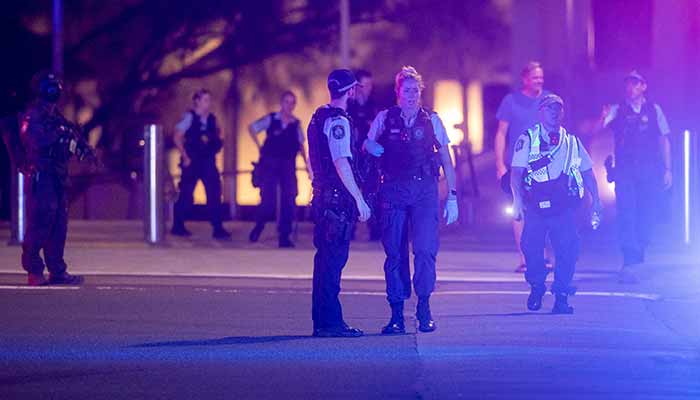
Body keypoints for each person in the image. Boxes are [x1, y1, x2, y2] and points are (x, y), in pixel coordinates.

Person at [364, 66, 459, 334]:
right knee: (394, 253)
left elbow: (445, 159)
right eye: (406, 90)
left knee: (426, 250)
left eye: (415, 90)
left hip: (424, 191)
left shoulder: (432, 120)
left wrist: (452, 195)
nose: (411, 95)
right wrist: (370, 146)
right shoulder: (385, 118)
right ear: (398, 92)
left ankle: (424, 308)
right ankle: (396, 314)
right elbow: (367, 144)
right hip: (393, 190)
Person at [511, 94, 602, 314]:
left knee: (568, 250)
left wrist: (596, 201)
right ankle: (537, 286)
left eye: (558, 108)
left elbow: (588, 173)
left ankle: (561, 296)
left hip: (563, 208)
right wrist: (517, 201)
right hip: (535, 206)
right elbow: (516, 174)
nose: (554, 112)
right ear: (540, 111)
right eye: (550, 108)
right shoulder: (528, 139)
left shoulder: (572, 142)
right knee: (531, 249)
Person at [307, 69, 371, 337]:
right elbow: (341, 161)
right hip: (335, 201)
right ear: (351, 90)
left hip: (322, 196)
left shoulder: (317, 117)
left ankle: (322, 321)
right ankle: (331, 324)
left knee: (324, 261)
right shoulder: (338, 122)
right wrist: (359, 199)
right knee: (333, 261)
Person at [20, 71, 93, 286]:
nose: (56, 90)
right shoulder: (33, 115)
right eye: (52, 86)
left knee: (58, 226)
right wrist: (60, 135)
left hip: (58, 176)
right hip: (42, 176)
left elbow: (66, 140)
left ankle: (57, 270)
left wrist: (78, 146)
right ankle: (34, 271)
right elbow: (35, 141)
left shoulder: (55, 116)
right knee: (40, 224)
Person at [601, 70, 672, 282]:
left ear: (643, 86)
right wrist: (602, 119)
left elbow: (664, 139)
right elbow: (599, 129)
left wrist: (668, 169)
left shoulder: (654, 109)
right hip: (625, 170)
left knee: (646, 213)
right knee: (626, 212)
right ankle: (630, 258)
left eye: (635, 83)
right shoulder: (617, 110)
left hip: (649, 170)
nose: (630, 87)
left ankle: (640, 250)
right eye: (628, 84)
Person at [494, 61, 551, 273]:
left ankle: (544, 256)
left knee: (544, 210)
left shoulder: (548, 100)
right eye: (535, 77)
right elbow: (501, 133)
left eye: (541, 77)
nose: (539, 81)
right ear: (525, 79)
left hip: (543, 165)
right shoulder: (511, 101)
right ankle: (525, 258)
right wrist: (500, 164)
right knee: (519, 212)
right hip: (517, 166)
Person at [248, 91, 311, 248]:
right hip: (270, 164)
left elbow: (301, 146)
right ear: (281, 103)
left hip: (288, 165)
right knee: (268, 200)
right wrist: (259, 147)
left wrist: (307, 166)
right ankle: (259, 226)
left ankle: (284, 236)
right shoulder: (271, 119)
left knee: (289, 199)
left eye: (292, 103)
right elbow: (252, 128)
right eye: (286, 102)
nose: (289, 106)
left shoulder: (296, 124)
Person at [171, 89, 231, 240]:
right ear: (197, 101)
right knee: (186, 194)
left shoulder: (211, 119)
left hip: (208, 161)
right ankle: (178, 226)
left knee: (215, 193)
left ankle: (218, 227)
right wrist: (185, 156)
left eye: (209, 100)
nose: (208, 103)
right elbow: (177, 136)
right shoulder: (189, 117)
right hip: (192, 161)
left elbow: (218, 135)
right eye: (205, 100)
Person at [347, 69, 381, 241]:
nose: (367, 88)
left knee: (371, 191)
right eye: (364, 85)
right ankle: (349, 229)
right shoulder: (348, 105)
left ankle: (374, 230)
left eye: (370, 85)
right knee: (351, 191)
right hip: (352, 155)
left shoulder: (374, 106)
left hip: (369, 157)